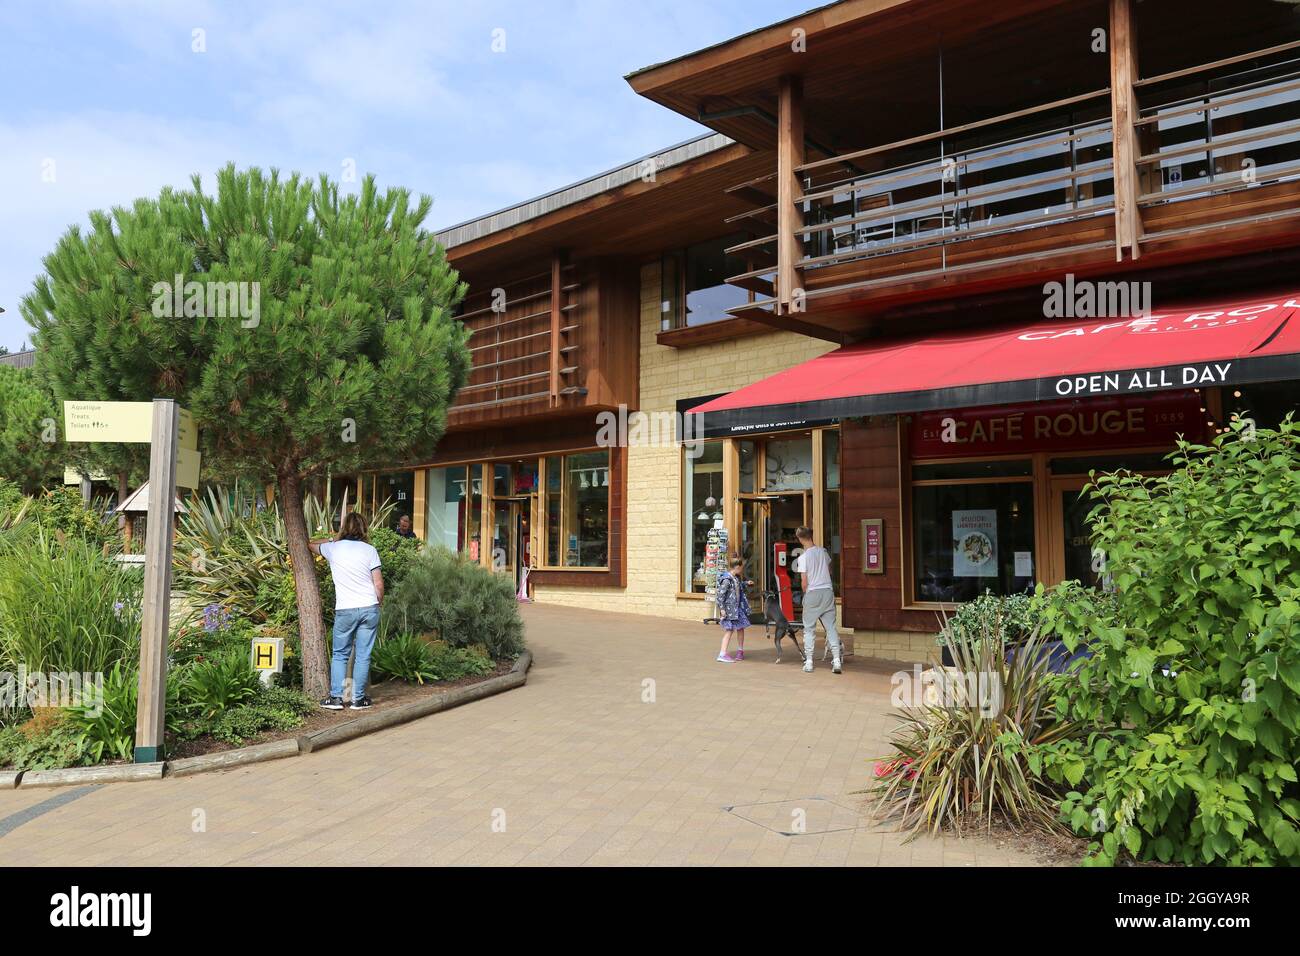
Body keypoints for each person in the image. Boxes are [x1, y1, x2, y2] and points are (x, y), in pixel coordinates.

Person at [310, 512, 384, 709]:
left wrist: (333, 539)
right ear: (364, 528)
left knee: (340, 654)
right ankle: (358, 699)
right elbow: (378, 583)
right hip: (369, 606)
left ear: (344, 527)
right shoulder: (370, 550)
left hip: (345, 608)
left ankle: (335, 698)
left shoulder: (333, 549)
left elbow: (309, 543)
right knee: (363, 654)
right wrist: (379, 602)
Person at [795, 526, 841, 674]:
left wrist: (806, 594)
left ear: (800, 539)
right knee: (831, 627)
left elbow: (804, 581)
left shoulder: (803, 558)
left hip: (812, 593)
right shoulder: (823, 552)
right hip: (827, 592)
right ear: (811, 536)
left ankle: (809, 662)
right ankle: (837, 660)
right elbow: (829, 571)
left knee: (809, 629)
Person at [714, 554, 750, 663]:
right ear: (737, 567)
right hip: (730, 610)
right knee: (729, 630)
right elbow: (720, 595)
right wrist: (722, 609)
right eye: (742, 568)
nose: (742, 570)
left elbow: (737, 587)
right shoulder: (726, 579)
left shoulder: (735, 578)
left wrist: (746, 583)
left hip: (736, 609)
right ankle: (722, 653)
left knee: (740, 628)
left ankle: (740, 651)